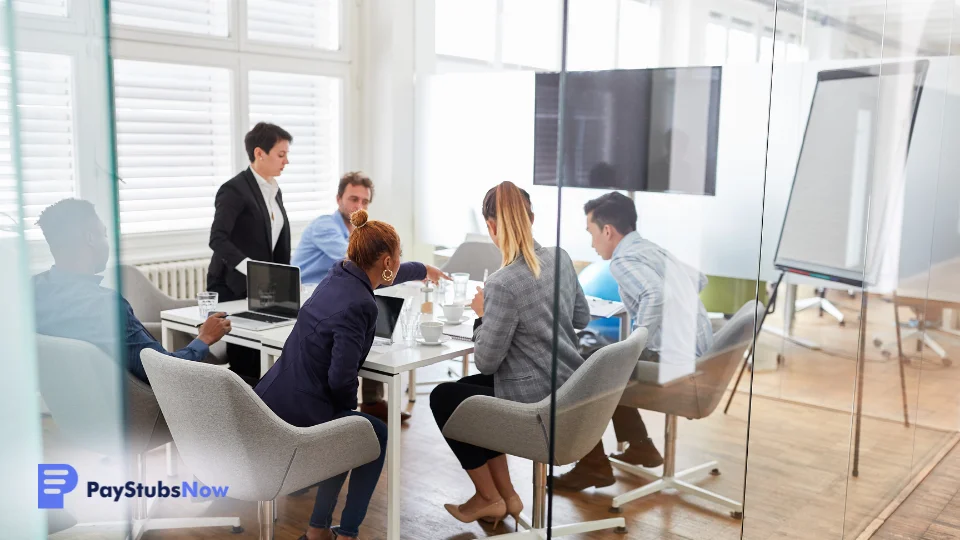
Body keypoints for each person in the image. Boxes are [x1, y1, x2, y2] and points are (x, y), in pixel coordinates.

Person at [255, 209, 447, 540]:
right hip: (302, 413)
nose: (399, 264)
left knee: (351, 428)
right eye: (399, 258)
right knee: (368, 432)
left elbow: (384, 274)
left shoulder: (338, 274)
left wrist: (422, 269)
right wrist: (350, 413)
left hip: (274, 396)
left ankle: (317, 530)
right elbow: (341, 379)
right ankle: (346, 533)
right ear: (387, 259)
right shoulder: (361, 305)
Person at [430, 181, 590, 529]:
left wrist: (484, 313)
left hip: (537, 404)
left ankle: (488, 497)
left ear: (490, 227)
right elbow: (581, 319)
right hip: (569, 389)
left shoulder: (502, 283)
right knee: (468, 390)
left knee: (444, 397)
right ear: (531, 218)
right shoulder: (561, 257)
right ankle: (506, 497)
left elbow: (486, 360)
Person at [553, 191, 713, 491]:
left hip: (676, 361)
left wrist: (637, 340)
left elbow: (655, 294)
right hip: (700, 355)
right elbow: (698, 280)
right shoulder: (650, 249)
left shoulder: (622, 260)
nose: (591, 242)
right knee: (607, 363)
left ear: (608, 231)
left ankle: (593, 465)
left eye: (591, 233)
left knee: (587, 370)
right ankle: (640, 446)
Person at [33, 198, 232, 384]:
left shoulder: (33, 291)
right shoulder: (106, 306)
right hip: (154, 410)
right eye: (104, 234)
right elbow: (164, 373)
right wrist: (204, 338)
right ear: (90, 238)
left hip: (79, 406)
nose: (107, 242)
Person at [291, 171, 408, 423]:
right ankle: (356, 412)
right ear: (338, 199)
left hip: (336, 297)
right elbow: (362, 262)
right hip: (309, 296)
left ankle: (373, 401)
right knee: (363, 316)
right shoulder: (325, 226)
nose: (359, 206)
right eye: (353, 199)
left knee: (374, 326)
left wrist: (420, 270)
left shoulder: (360, 233)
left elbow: (374, 266)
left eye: (365, 202)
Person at [207, 122, 292, 381]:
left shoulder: (273, 191)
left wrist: (283, 283)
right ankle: (243, 416)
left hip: (262, 288)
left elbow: (274, 243)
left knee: (270, 354)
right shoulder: (234, 190)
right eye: (281, 154)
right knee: (246, 362)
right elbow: (217, 238)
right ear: (259, 153)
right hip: (232, 286)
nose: (286, 161)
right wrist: (253, 271)